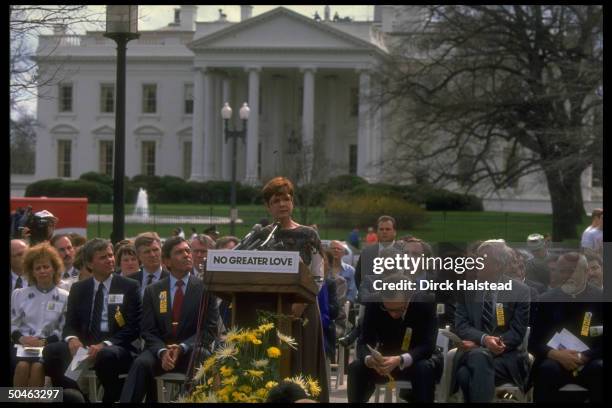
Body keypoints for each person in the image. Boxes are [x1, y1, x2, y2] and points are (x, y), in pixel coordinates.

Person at [120, 237, 219, 402]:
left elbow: (209, 330)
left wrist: (182, 347)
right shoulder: (154, 291)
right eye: (180, 252)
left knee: (203, 357)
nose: (187, 255)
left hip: (191, 351)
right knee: (140, 363)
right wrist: (163, 351)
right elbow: (148, 330)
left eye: (188, 251)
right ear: (167, 261)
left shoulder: (205, 289)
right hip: (160, 351)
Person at [42, 238, 142, 403]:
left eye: (110, 255)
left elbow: (133, 327)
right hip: (84, 347)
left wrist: (105, 344)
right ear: (89, 263)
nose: (110, 260)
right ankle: (76, 397)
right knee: (52, 351)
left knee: (106, 355)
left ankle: (109, 399)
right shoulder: (79, 288)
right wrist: (72, 339)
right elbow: (70, 325)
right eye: (103, 257)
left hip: (116, 346)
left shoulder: (129, 286)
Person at [259, 176, 330, 402]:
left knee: (303, 365)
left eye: (286, 199)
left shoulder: (309, 234)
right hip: (269, 311)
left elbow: (318, 275)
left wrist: (301, 303)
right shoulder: (261, 236)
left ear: (293, 203)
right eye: (276, 200)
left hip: (303, 311)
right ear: (268, 206)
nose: (282, 204)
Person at [452, 240, 531, 402]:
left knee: (465, 375)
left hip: (505, 357)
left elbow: (517, 333)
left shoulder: (520, 291)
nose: (476, 262)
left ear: (498, 266)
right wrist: (485, 340)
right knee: (478, 357)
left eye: (482, 259)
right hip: (471, 352)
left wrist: (492, 344)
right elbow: (461, 326)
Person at [347, 273, 439, 402]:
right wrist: (369, 359)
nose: (393, 315)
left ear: (409, 297)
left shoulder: (425, 303)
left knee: (424, 368)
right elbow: (363, 341)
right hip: (382, 363)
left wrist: (399, 359)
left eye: (400, 309)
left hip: (414, 360)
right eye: (388, 309)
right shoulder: (374, 303)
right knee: (356, 367)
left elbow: (428, 346)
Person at [529, 253, 603, 402]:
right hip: (555, 361)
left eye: (573, 270)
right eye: (563, 271)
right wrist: (556, 355)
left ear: (586, 271)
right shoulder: (545, 300)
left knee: (601, 368)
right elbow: (534, 342)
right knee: (546, 370)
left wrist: (584, 356)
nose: (568, 275)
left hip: (591, 361)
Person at [11, 243, 69, 387]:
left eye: (46, 266)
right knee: (22, 366)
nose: (42, 271)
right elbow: (12, 323)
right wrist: (22, 339)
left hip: (48, 347)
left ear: (54, 269)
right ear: (32, 272)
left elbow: (63, 328)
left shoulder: (65, 296)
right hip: (22, 346)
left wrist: (43, 342)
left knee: (37, 368)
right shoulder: (19, 294)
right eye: (38, 268)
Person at [128, 232, 169, 298]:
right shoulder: (129, 281)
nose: (152, 255)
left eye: (155, 250)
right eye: (147, 252)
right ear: (138, 256)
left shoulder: (171, 279)